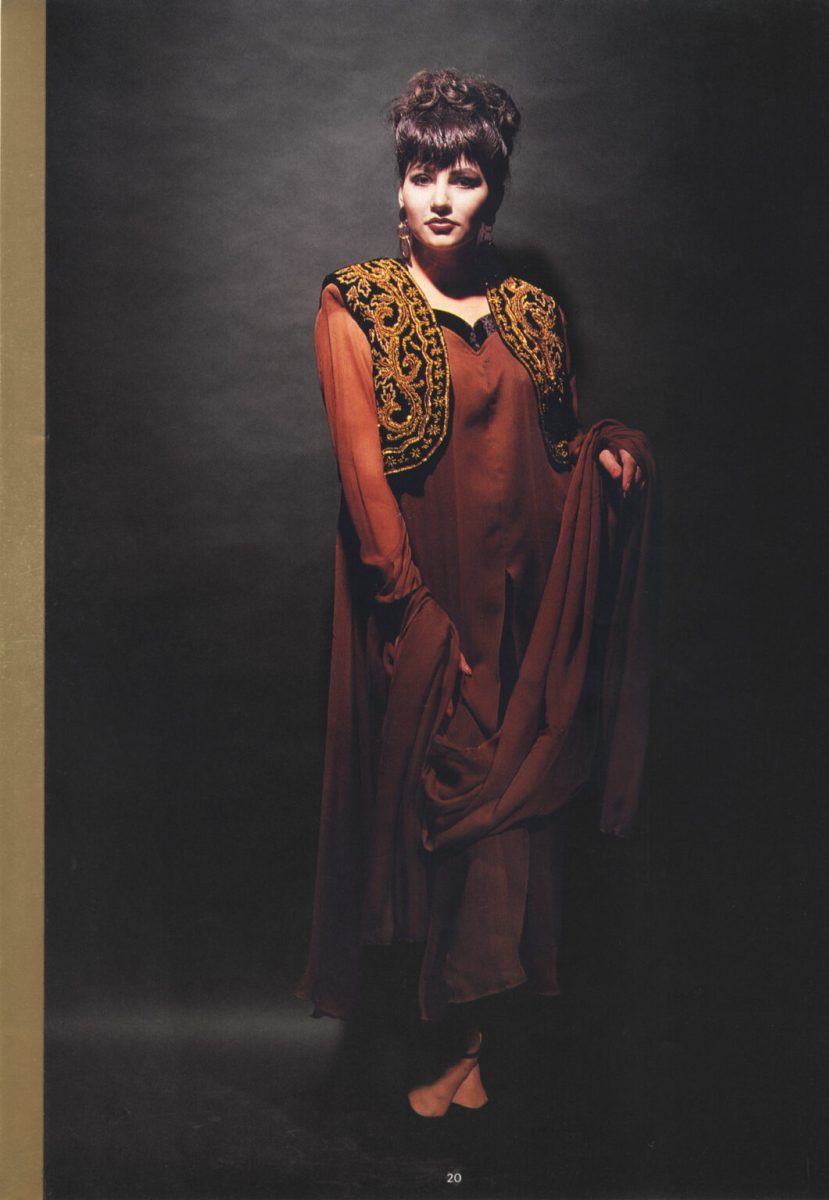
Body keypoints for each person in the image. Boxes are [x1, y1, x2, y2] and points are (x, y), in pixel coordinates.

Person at [294, 68, 658, 1119]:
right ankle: (434, 1040)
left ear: (492, 189)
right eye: (422, 175)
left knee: (516, 819)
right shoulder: (356, 303)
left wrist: (607, 457)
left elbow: (554, 449)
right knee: (437, 812)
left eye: (462, 177)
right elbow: (363, 478)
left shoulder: (532, 312)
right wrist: (413, 612)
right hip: (426, 603)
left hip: (528, 604)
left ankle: (477, 1047)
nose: (441, 197)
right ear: (398, 187)